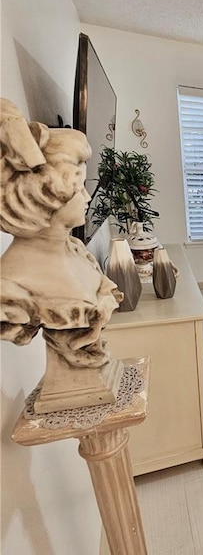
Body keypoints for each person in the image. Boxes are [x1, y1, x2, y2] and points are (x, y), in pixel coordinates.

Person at [0, 99, 123, 369]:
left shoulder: (78, 251)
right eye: (79, 187)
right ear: (45, 196)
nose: (88, 196)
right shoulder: (11, 289)